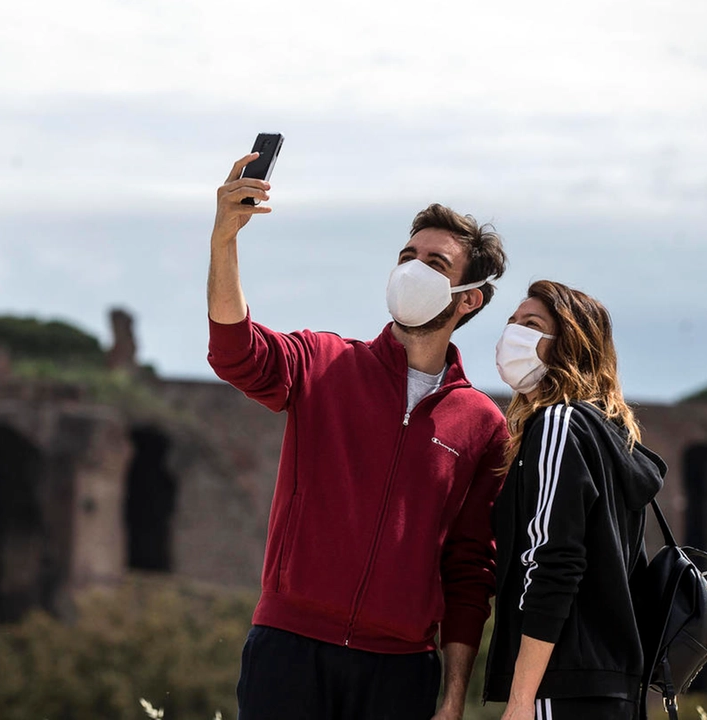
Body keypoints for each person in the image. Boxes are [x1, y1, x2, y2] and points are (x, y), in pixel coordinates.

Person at [207, 151, 510, 720]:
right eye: (407, 256)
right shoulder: (323, 362)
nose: (412, 269)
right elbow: (235, 352)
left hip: (400, 671)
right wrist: (225, 239)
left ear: (469, 298)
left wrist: (451, 699)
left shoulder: (482, 425)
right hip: (288, 649)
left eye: (435, 263)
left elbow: (471, 570)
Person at [483, 280, 666, 720]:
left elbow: (552, 563)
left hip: (559, 684)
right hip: (612, 687)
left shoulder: (559, 425)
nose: (513, 334)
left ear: (569, 345)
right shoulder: (611, 436)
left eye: (531, 325)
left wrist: (522, 698)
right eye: (511, 322)